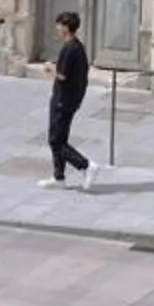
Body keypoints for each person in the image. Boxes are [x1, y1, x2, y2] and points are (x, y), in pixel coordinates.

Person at [46, 10, 92, 186]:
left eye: (60, 25)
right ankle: (59, 177)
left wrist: (50, 69)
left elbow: (62, 75)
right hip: (70, 99)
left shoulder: (69, 49)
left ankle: (85, 165)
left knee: (55, 140)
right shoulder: (78, 47)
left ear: (66, 28)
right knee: (59, 138)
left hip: (63, 100)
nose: (58, 28)